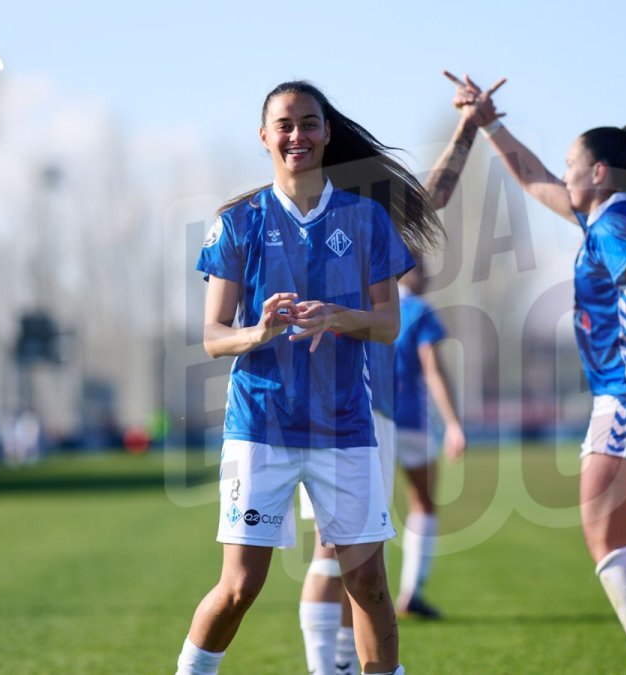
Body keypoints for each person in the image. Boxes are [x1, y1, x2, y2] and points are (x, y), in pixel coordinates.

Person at [176, 80, 442, 675]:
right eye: (286, 125)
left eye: (310, 124)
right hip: (260, 426)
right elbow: (215, 336)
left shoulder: (365, 218)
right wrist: (261, 333)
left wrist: (335, 316)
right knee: (241, 587)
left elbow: (388, 323)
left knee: (369, 583)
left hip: (344, 426)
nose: (298, 135)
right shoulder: (237, 222)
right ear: (265, 136)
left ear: (326, 133)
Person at [474, 82, 626, 674]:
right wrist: (490, 125)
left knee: (606, 543)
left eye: (572, 165)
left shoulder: (615, 229)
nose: (563, 174)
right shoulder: (623, 214)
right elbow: (535, 178)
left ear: (597, 171)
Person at [295, 71, 495, 675]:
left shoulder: (364, 220)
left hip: (369, 411)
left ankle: (344, 666)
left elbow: (431, 197)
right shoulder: (287, 217)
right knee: (333, 551)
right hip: (326, 410)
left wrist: (466, 128)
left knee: (353, 555)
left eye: (312, 129)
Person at [393, 265, 466, 619]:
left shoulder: (367, 306)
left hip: (366, 423)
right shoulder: (419, 311)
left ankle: (352, 596)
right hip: (411, 422)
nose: (429, 274)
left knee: (359, 514)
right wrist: (453, 423)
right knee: (422, 503)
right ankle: (411, 592)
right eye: (420, 267)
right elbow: (433, 368)